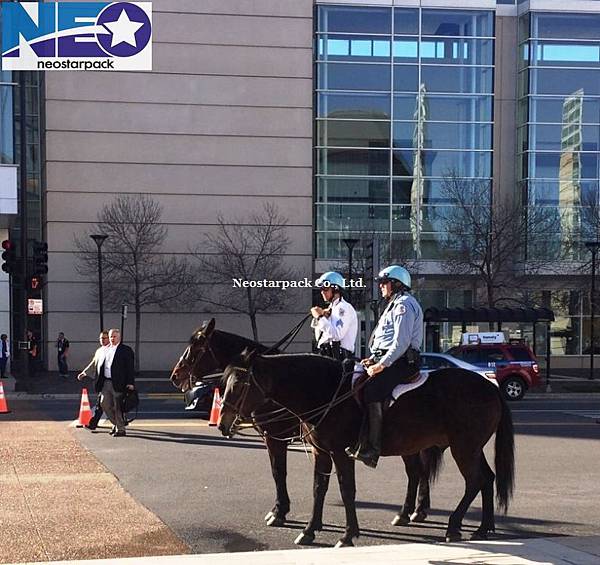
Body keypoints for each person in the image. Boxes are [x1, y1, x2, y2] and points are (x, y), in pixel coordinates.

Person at [346, 265, 423, 469]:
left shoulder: (403, 305)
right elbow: (386, 340)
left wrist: (381, 365)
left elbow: (401, 342)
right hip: (391, 358)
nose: (380, 286)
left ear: (397, 284)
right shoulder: (393, 304)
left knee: (372, 391)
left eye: (384, 282)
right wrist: (372, 358)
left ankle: (373, 448)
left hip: (404, 362)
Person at [310, 271, 358, 361]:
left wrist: (320, 317)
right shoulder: (331, 308)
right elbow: (318, 337)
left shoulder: (343, 308)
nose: (322, 292)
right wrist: (322, 316)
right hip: (326, 355)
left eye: (325, 288)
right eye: (321, 289)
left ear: (336, 289)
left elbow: (336, 335)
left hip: (338, 358)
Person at [97, 328, 135, 437]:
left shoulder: (126, 350)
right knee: (104, 404)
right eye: (111, 337)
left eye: (114, 336)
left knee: (118, 406)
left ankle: (121, 429)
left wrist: (130, 382)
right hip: (106, 382)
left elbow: (130, 368)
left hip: (119, 383)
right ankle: (117, 424)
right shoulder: (105, 349)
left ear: (119, 337)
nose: (112, 338)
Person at [77, 330, 110, 430]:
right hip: (101, 381)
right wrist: (84, 372)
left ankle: (94, 423)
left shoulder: (112, 350)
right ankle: (94, 423)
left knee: (103, 403)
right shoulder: (99, 351)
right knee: (101, 403)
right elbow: (93, 363)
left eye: (104, 338)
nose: (102, 340)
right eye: (101, 338)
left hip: (111, 381)